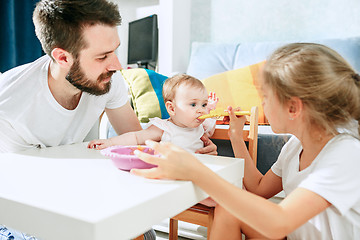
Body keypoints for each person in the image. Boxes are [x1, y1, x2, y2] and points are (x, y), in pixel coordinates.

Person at [0, 0, 215, 239]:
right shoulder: (10, 108)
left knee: (144, 234)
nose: (117, 65)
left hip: (74, 185)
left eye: (115, 50)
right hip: (22, 201)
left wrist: (186, 152)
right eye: (103, 56)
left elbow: (137, 148)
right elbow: (34, 194)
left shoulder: (108, 81)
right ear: (62, 58)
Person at [131, 43, 360, 239]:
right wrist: (235, 137)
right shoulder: (295, 146)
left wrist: (195, 171)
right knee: (229, 209)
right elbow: (258, 189)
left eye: (266, 98)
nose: (262, 105)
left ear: (293, 107)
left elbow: (280, 220)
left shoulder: (346, 153)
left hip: (285, 228)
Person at [88, 74, 218, 152]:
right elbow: (136, 137)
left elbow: (210, 132)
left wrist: (212, 112)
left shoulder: (201, 126)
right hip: (171, 176)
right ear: (172, 109)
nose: (201, 110)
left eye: (204, 104)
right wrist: (109, 143)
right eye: (193, 104)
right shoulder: (164, 129)